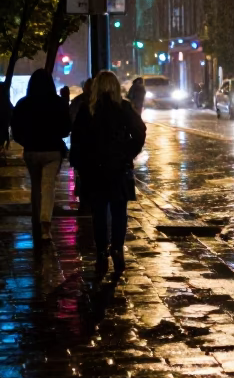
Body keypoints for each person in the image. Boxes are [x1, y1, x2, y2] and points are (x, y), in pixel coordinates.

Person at [71, 71, 146, 277]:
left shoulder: (88, 110)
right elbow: (140, 131)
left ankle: (102, 250)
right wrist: (128, 152)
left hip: (94, 169)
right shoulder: (123, 108)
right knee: (119, 210)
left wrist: (81, 163)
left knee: (99, 211)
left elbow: (77, 139)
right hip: (118, 168)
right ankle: (117, 247)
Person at [10, 69, 72, 242]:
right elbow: (66, 129)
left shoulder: (23, 104)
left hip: (31, 150)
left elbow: (15, 130)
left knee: (36, 187)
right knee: (48, 186)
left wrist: (26, 141)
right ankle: (46, 225)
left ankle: (36, 220)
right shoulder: (58, 103)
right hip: (52, 151)